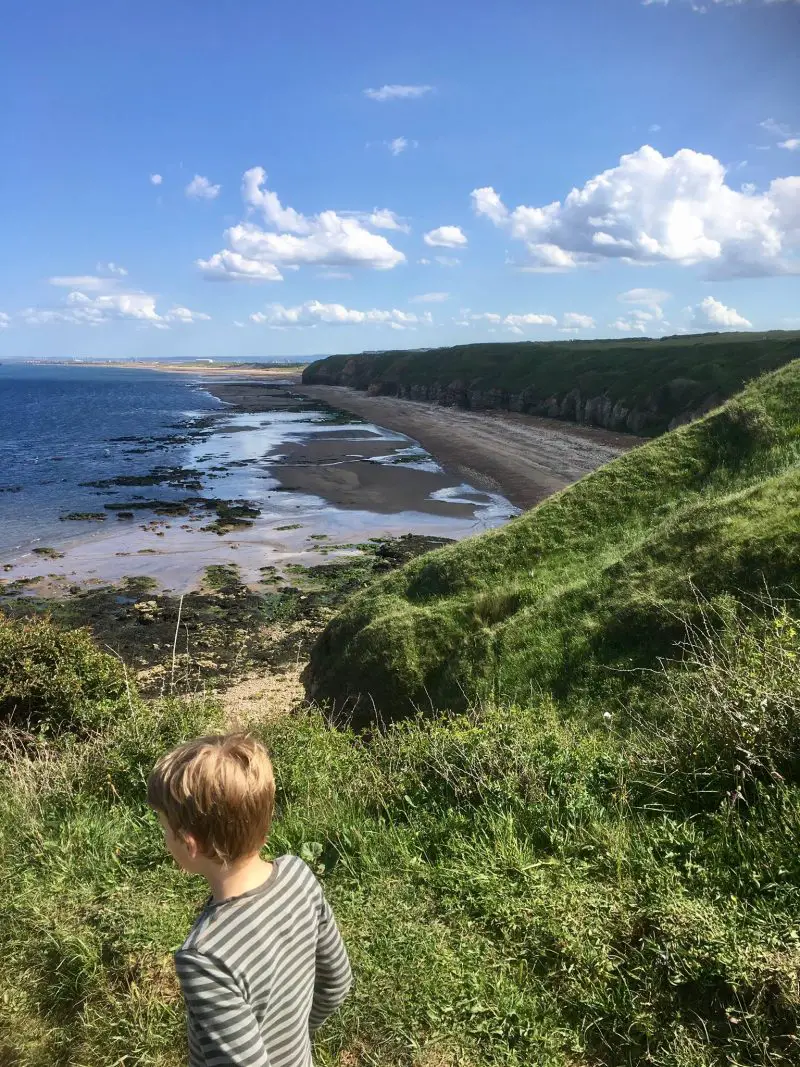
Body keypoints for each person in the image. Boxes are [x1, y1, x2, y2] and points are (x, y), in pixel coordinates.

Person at [147, 732, 352, 1067]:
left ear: (189, 843)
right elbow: (337, 983)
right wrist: (298, 1037)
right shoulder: (299, 876)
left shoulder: (204, 957)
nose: (165, 839)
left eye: (165, 830)